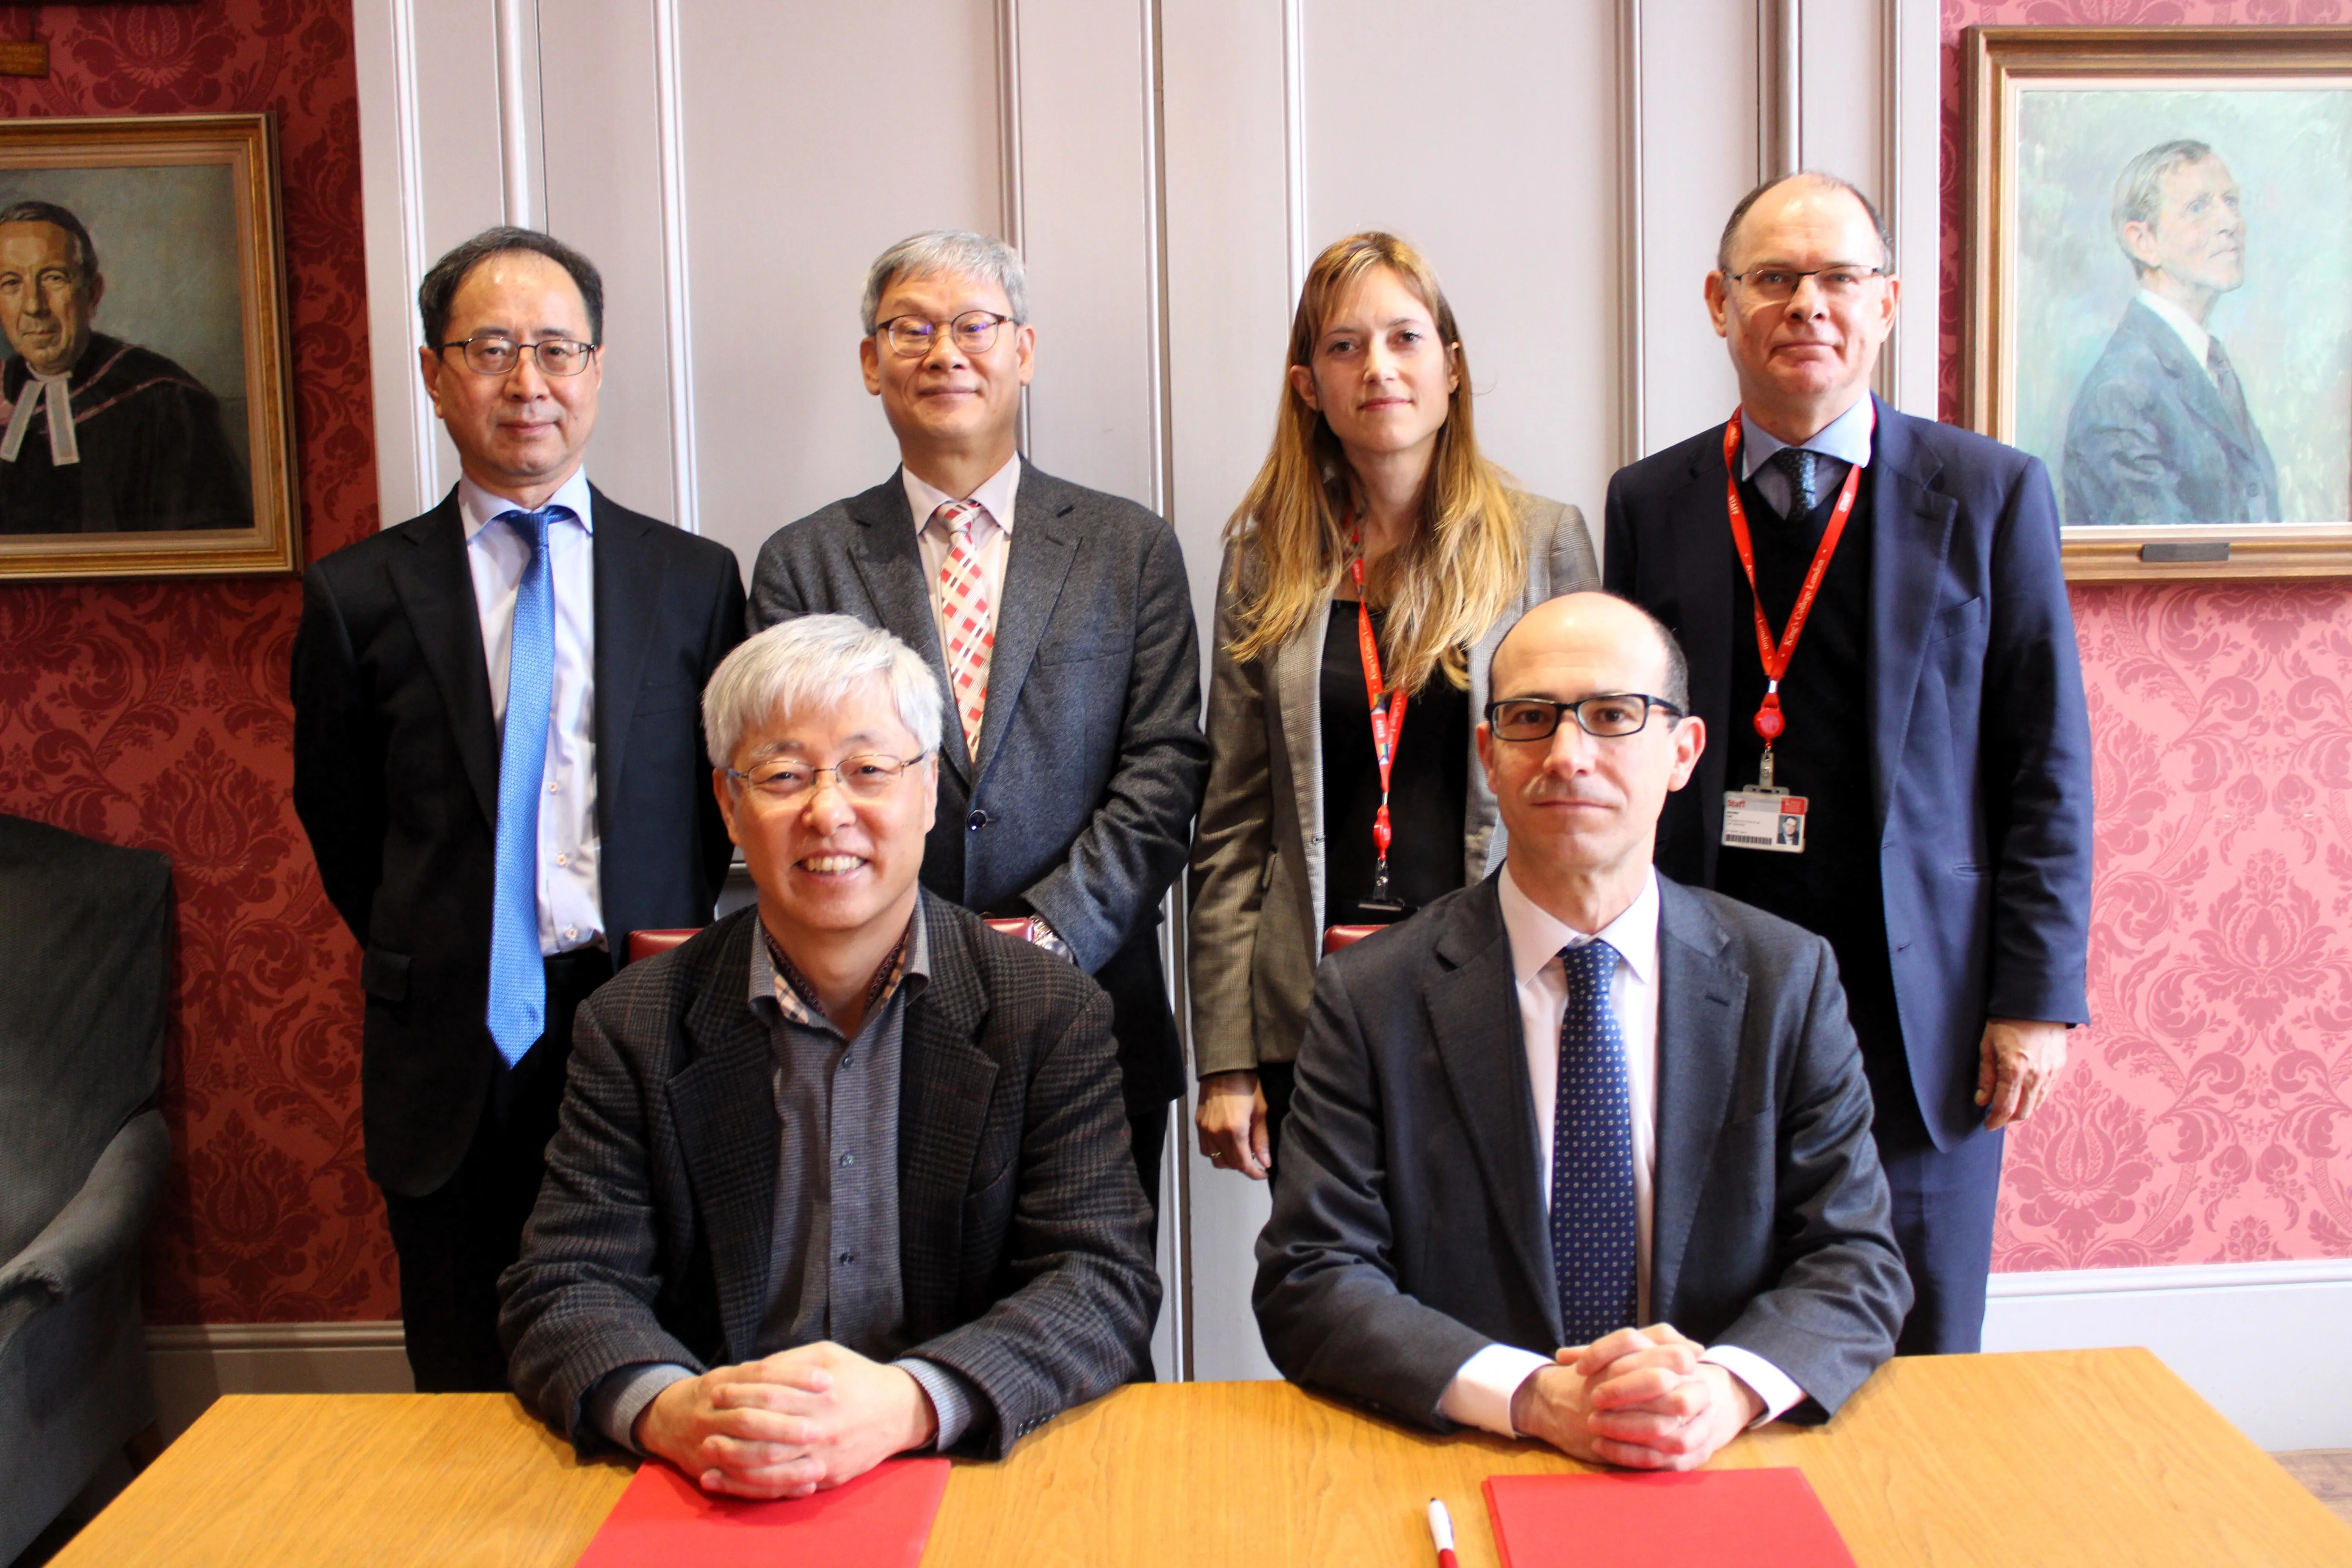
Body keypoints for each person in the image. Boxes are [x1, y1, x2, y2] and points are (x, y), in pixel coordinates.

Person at [1602, 172, 2092, 1355]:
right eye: (1773, 278)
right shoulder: (1650, 501)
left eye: (1836, 279)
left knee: (1921, 1351)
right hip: (1711, 988)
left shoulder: (1986, 492)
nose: (1804, 305)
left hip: (1920, 1007)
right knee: (1718, 1333)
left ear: (1883, 305)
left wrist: (2034, 1000)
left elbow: (2045, 764)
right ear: (1719, 303)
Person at [499, 615, 1158, 1491]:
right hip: (726, 1474)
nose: (828, 810)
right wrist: (674, 1410)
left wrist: (909, 1402)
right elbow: (565, 1282)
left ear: (928, 793)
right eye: (782, 774)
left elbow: (1098, 1278)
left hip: (968, 1466)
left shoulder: (1047, 1010)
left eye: (868, 769)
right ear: (729, 804)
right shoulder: (635, 1021)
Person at [1254, 593, 1907, 1469]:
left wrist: (1725, 1386)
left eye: (1612, 716)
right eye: (1531, 718)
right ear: (1489, 755)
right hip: (1475, 1456)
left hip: (1722, 1460)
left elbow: (1854, 1255)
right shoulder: (1371, 994)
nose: (1568, 755)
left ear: (1683, 752)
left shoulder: (1785, 978)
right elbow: (1313, 1276)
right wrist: (1534, 1396)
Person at [292, 227, 746, 1391]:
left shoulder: (692, 580)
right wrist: (457, 942)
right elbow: (343, 822)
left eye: (554, 348)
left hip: (641, 1010)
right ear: (435, 373)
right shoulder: (358, 594)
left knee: (660, 1355)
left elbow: (725, 813)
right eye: (489, 349)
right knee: (462, 1367)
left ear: (596, 368)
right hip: (452, 1033)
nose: (525, 382)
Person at [749, 231, 1207, 1217]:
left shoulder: (1128, 548)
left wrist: (1043, 936)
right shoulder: (805, 563)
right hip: (873, 1018)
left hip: (1092, 1009)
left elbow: (1166, 768)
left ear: (1024, 350)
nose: (944, 353)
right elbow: (798, 780)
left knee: (1094, 1321)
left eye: (974, 327)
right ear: (871, 362)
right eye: (911, 329)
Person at [1188, 232, 1598, 1181]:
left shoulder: (1543, 543)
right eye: (1344, 346)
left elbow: (1591, 797)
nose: (1378, 368)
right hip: (1315, 1018)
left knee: (1502, 1305)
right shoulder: (1265, 560)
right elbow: (1234, 824)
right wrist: (1226, 1053)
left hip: (1506, 999)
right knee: (1334, 1301)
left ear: (1451, 368)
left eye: (1406, 339)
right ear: (1308, 386)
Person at [0, 200, 251, 533]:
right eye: (11, 284)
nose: (34, 305)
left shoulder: (167, 402)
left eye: (53, 278)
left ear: (92, 294)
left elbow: (210, 555)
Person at [2063, 140, 2279, 526]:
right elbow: (2165, 568)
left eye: (2231, 202)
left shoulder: (2211, 364)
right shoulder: (2121, 391)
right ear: (2143, 241)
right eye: (2199, 207)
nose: (2229, 222)